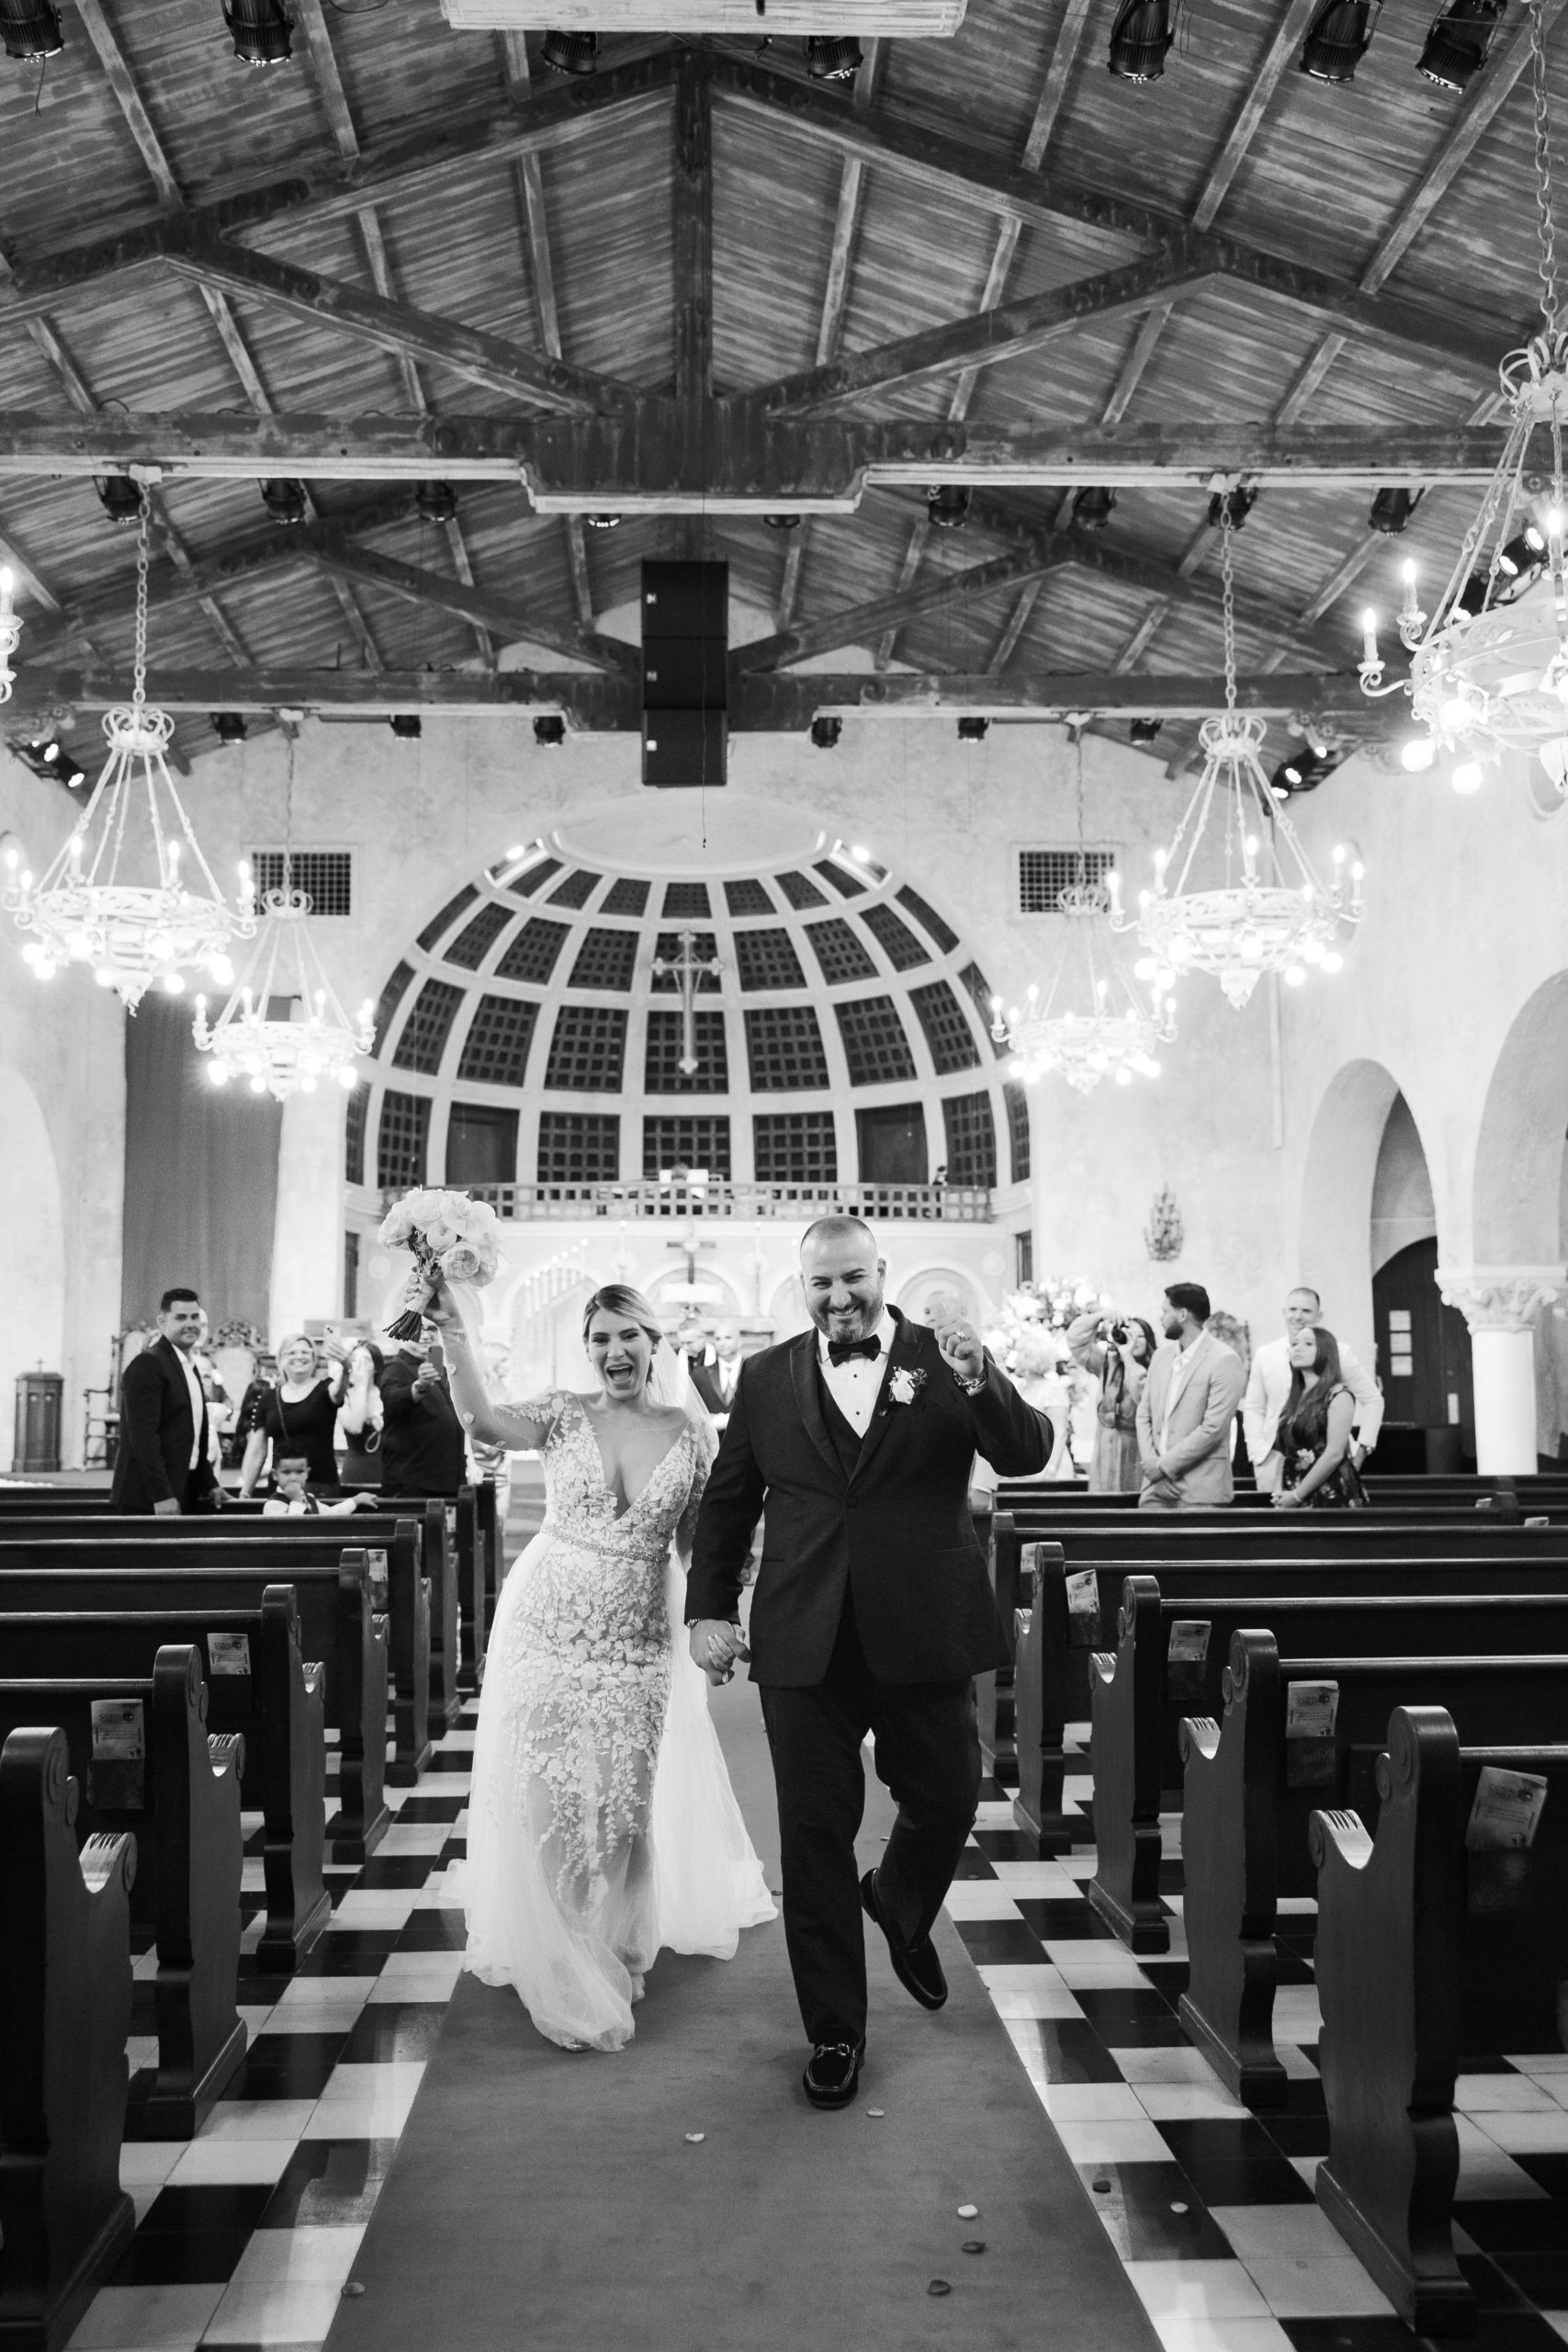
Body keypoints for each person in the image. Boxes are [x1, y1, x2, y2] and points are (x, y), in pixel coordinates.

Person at [687, 1215, 1052, 2111]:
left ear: (880, 1272)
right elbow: (731, 1497)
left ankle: (898, 1896)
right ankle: (836, 2031)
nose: (840, 1296)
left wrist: (984, 1379)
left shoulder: (946, 1355)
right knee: (813, 1834)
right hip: (802, 1629)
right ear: (800, 1288)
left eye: (853, 1278)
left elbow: (1027, 1451)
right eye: (822, 1283)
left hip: (922, 1621)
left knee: (949, 1792)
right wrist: (706, 1607)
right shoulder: (767, 1376)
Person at [425, 1278, 773, 2052]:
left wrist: (718, 1617)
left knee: (622, 1806)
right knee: (547, 1800)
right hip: (545, 1625)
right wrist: (456, 1333)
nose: (614, 1352)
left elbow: (696, 1545)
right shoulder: (558, 1412)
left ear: (654, 1343)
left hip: (638, 1641)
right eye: (601, 1340)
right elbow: (482, 1419)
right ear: (587, 1349)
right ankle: (560, 1952)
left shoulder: (690, 1433)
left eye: (628, 1337)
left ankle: (610, 1940)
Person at [1243, 1286, 1383, 1495]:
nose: (1298, 1316)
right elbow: (1254, 1407)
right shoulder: (1266, 1354)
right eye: (1292, 1309)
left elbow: (1373, 1399)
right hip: (1273, 1456)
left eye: (1306, 1311)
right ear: (1284, 1312)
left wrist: (1363, 1450)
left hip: (1325, 1457)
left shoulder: (1339, 1352)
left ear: (1319, 1316)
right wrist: (1257, 1451)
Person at [110, 1287, 223, 1517]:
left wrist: (210, 1483)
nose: (190, 1324)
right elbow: (142, 1437)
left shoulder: (189, 1366)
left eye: (195, 1317)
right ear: (162, 1322)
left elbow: (192, 1436)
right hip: (148, 1499)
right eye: (181, 1317)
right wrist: (161, 1495)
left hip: (183, 1487)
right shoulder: (148, 1365)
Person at [1135, 1283, 1246, 1512]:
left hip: (1201, 1487)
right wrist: (1151, 1463)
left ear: (1183, 1314)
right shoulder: (1160, 1357)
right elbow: (1144, 1414)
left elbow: (1213, 1428)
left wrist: (1164, 1464)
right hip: (1155, 1487)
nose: (1161, 1318)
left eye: (1166, 1311)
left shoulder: (1224, 1359)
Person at [237, 1333, 346, 1499]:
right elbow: (257, 1450)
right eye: (292, 1353)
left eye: (305, 1352)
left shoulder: (325, 1388)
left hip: (320, 1485)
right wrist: (246, 1491)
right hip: (281, 1488)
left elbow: (338, 1393)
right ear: (281, 1359)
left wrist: (346, 1369)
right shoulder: (269, 1398)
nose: (299, 1357)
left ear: (314, 1358)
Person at [1271, 1326, 1367, 1510]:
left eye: (1308, 1344)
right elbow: (1285, 1452)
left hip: (1327, 1490)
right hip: (1292, 1487)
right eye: (1295, 1344)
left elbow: (1334, 1453)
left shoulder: (1339, 1395)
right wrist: (1279, 1493)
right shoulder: (1296, 1397)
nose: (1297, 1348)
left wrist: (1298, 1495)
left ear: (1325, 1351)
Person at [1066, 1309, 1157, 1493]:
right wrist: (1100, 1316)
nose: (1134, 1340)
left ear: (1149, 1340)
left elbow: (1143, 1396)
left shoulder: (1157, 1369)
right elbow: (1076, 1342)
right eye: (1129, 1334)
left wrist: (1127, 1356)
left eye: (1140, 1336)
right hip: (1105, 1452)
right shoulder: (1107, 1364)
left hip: (1138, 1451)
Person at [378, 1323, 468, 1498]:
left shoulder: (439, 1370)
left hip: (445, 1481)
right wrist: (420, 1385)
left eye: (431, 1330)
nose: (426, 1336)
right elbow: (392, 1402)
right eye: (419, 1330)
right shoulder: (396, 1368)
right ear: (403, 1332)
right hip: (413, 1483)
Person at [338, 1339, 385, 1491]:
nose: (359, 1364)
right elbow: (355, 1427)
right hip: (355, 1470)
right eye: (355, 1359)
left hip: (386, 1470)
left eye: (366, 1360)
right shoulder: (343, 1395)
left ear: (376, 1368)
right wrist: (362, 1385)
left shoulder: (387, 1392)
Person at [686, 1319, 744, 1419]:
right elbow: (692, 1410)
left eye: (728, 1338)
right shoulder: (699, 1374)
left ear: (739, 1342)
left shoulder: (754, 1370)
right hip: (713, 1433)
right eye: (718, 1339)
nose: (722, 1343)